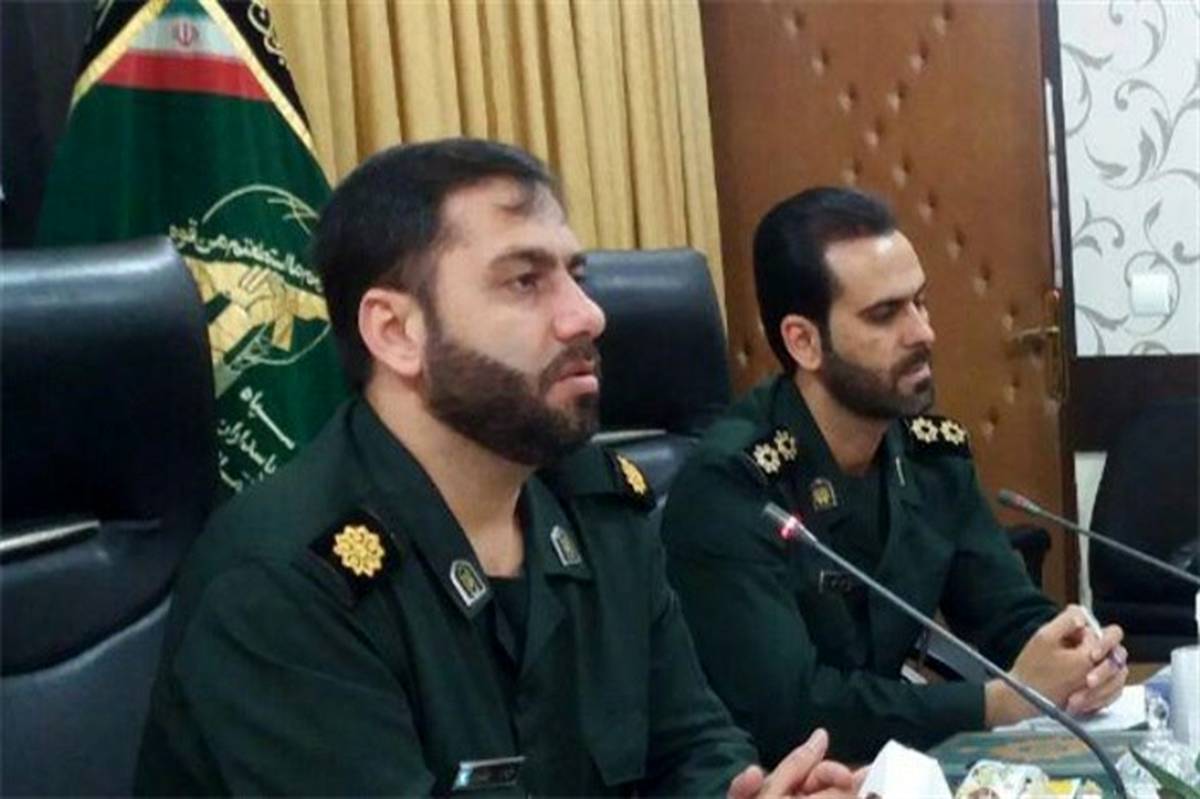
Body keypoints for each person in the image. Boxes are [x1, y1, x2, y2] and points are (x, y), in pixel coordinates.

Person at [134, 139, 862, 797]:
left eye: (575, 275)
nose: (587, 315)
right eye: (524, 281)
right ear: (397, 331)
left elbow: (692, 744)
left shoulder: (600, 506)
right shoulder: (283, 584)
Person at [660, 187, 1128, 765]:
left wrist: (1080, 655)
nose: (923, 332)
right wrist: (994, 704)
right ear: (804, 342)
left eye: (920, 303)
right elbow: (789, 710)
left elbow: (1004, 613)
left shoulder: (932, 456)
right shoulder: (732, 486)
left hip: (883, 766)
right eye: (886, 314)